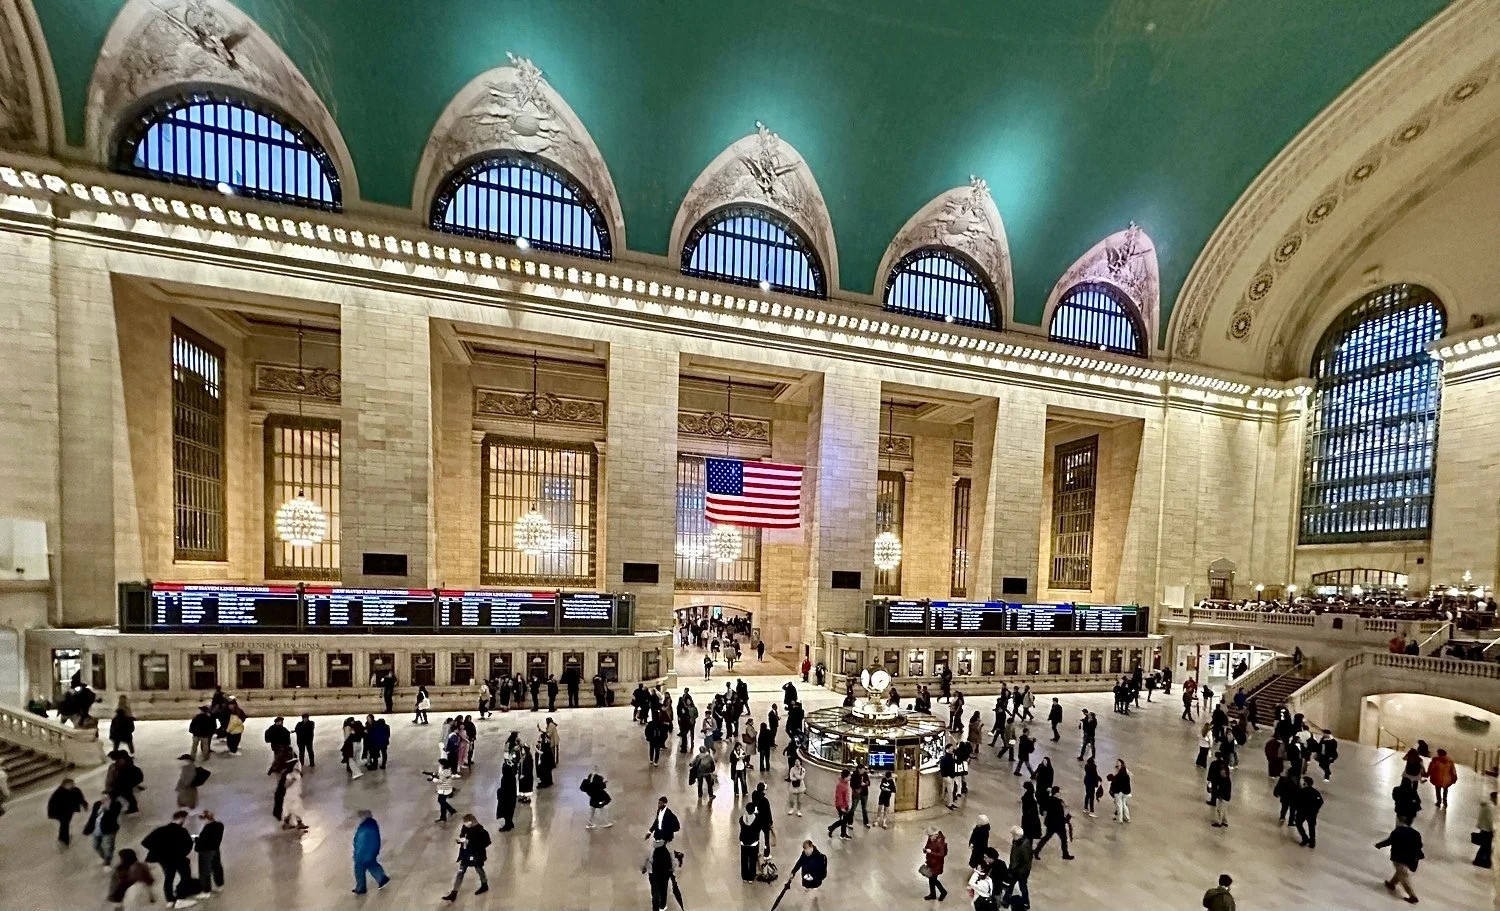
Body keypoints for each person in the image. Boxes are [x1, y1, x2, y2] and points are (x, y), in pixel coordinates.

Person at [142, 810, 196, 908]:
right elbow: (189, 845)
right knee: (185, 876)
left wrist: (160, 851)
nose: (187, 822)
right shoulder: (182, 831)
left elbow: (145, 842)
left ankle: (170, 900)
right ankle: (180, 898)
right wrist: (181, 852)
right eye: (186, 819)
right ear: (181, 819)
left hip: (164, 860)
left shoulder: (161, 830)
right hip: (178, 858)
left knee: (169, 878)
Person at [442, 814, 492, 900]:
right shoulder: (465, 828)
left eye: (466, 822)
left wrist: (471, 842)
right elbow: (462, 835)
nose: (464, 824)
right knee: (461, 871)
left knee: (479, 869)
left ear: (471, 822)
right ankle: (454, 892)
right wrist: (460, 840)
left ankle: (484, 884)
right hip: (466, 854)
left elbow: (486, 842)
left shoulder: (481, 831)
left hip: (476, 855)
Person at [1374, 819, 1424, 904]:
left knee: (1403, 877)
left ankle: (1412, 896)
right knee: (1401, 872)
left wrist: (1379, 845)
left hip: (1399, 858)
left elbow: (1389, 841)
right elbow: (1420, 846)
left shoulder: (1398, 831)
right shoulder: (1416, 833)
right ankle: (1391, 884)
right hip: (1411, 859)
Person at [350, 809, 392, 894]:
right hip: (370, 851)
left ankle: (361, 887)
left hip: (362, 853)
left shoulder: (365, 829)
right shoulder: (371, 826)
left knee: (359, 869)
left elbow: (360, 842)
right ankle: (381, 878)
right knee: (371, 864)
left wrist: (357, 854)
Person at [84, 789, 124, 865]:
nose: (103, 800)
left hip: (109, 830)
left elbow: (113, 817)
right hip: (96, 829)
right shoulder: (97, 804)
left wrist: (107, 808)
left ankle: (107, 861)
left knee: (109, 847)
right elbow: (92, 816)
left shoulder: (116, 805)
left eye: (106, 798)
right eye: (102, 798)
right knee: (96, 846)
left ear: (111, 798)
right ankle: (104, 857)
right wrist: (88, 827)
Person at [47, 777, 88, 846]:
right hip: (60, 812)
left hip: (66, 811)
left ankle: (62, 839)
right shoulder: (59, 793)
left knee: (64, 825)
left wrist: (84, 805)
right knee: (64, 824)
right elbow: (53, 804)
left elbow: (80, 797)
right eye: (72, 784)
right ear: (66, 784)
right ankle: (65, 841)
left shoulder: (74, 790)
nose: (73, 785)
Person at [788, 840, 828, 907]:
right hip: (806, 879)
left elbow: (822, 871)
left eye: (807, 850)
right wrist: (793, 872)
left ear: (811, 846)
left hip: (815, 881)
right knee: (807, 890)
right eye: (805, 850)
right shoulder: (804, 854)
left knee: (813, 894)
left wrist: (814, 877)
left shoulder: (820, 857)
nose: (806, 852)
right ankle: (808, 890)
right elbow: (799, 862)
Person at [194, 810, 224, 895]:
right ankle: (220, 885)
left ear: (206, 818)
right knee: (217, 867)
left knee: (204, 871)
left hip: (206, 851)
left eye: (203, 819)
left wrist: (196, 839)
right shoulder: (220, 825)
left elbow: (203, 841)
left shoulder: (207, 828)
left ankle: (206, 891)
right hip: (216, 849)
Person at [643, 838, 677, 911]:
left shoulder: (651, 847)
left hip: (653, 872)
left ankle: (658, 906)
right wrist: (672, 869)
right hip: (664, 872)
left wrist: (644, 867)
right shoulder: (668, 846)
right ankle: (662, 905)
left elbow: (647, 858)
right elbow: (672, 859)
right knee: (663, 889)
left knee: (655, 892)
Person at [1001, 826, 1031, 911]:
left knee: (1022, 888)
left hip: (1020, 872)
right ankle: (1006, 901)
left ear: (1018, 835)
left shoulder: (1024, 846)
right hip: (1015, 869)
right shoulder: (1017, 842)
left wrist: (1019, 871)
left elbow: (1026, 861)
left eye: (1013, 834)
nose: (1012, 836)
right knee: (1010, 886)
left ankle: (1025, 903)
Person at [1294, 776, 1322, 848]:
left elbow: (1297, 801)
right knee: (1311, 827)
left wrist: (1297, 809)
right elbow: (1320, 801)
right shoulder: (1315, 792)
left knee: (1298, 823)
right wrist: (1316, 809)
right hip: (1312, 813)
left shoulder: (1301, 792)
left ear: (1304, 783)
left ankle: (1305, 838)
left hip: (1302, 812)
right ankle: (1312, 842)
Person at [923, 827, 949, 901]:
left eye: (930, 836)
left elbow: (941, 854)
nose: (929, 837)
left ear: (935, 834)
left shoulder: (940, 843)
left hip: (937, 864)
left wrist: (931, 852)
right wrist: (925, 850)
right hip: (930, 862)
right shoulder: (931, 839)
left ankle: (943, 892)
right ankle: (933, 894)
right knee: (931, 879)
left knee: (933, 879)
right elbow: (927, 846)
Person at [428, 758, 457, 823]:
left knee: (442, 802)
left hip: (444, 790)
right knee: (441, 801)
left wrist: (433, 779)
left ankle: (443, 816)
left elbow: (441, 781)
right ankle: (451, 810)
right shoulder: (446, 770)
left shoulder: (445, 771)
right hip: (444, 789)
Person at [738, 804, 761, 882]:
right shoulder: (757, 819)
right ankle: (751, 877)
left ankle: (744, 876)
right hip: (753, 842)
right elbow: (758, 829)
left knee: (744, 859)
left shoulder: (742, 819)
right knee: (752, 860)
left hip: (743, 842)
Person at [827, 770, 853, 839]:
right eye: (849, 776)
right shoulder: (840, 785)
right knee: (843, 820)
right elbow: (839, 797)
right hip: (841, 806)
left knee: (845, 820)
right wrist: (842, 807)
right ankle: (832, 827)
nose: (850, 777)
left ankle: (843, 834)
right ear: (845, 777)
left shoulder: (846, 783)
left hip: (846, 804)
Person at [1207, 757, 1232, 827]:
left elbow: (1222, 789)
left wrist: (1219, 795)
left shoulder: (1224, 781)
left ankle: (1219, 822)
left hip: (1223, 797)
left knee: (1219, 810)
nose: (1221, 772)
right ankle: (1225, 821)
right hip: (1226, 797)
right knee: (1224, 810)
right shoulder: (1226, 780)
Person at [281, 764, 307, 831]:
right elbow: (286, 785)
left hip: (293, 795)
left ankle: (291, 823)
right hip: (290, 795)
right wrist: (291, 781)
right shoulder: (291, 775)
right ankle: (292, 823)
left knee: (293, 809)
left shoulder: (294, 774)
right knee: (294, 808)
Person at [1474, 790, 1496, 868]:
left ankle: (1482, 861)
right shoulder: (1490, 807)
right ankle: (1483, 861)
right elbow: (1490, 820)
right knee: (1486, 847)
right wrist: (1493, 829)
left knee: (1485, 846)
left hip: (1484, 828)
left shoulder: (1487, 805)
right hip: (1487, 829)